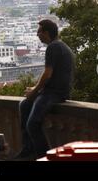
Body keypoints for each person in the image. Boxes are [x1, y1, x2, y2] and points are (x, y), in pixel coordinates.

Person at [17, 19, 75, 160]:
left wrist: (34, 91)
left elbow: (47, 73)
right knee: (24, 105)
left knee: (32, 124)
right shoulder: (61, 46)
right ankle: (28, 148)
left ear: (46, 32)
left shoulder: (53, 47)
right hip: (56, 90)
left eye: (39, 32)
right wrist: (36, 89)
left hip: (54, 93)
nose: (37, 35)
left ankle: (43, 156)